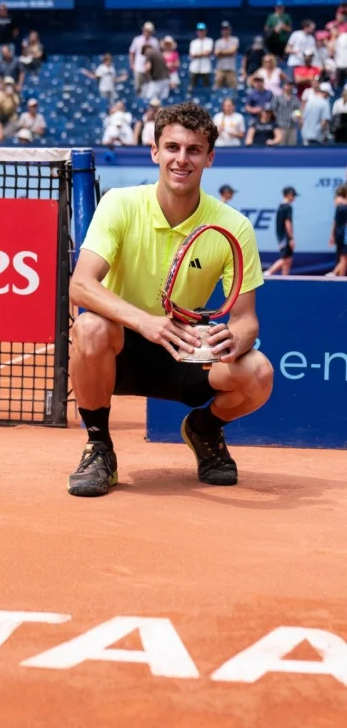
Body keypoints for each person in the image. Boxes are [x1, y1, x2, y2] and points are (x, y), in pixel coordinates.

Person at [67, 102, 273, 496]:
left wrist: (234, 339)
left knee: (258, 373)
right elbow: (81, 285)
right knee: (89, 326)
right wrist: (144, 322)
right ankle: (99, 447)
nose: (182, 159)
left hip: (187, 352)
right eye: (172, 147)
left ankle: (204, 428)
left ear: (209, 157)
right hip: (121, 349)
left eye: (194, 150)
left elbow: (246, 318)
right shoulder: (120, 204)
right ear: (155, 152)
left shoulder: (235, 226)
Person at [264, 187, 298, 276]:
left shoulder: (280, 206)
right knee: (287, 259)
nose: (294, 198)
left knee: (288, 259)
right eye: (293, 195)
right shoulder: (288, 207)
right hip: (285, 237)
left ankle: (284, 277)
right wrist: (291, 238)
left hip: (281, 237)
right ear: (289, 195)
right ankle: (268, 272)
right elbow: (287, 222)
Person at [129, 22, 159, 95]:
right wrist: (132, 63)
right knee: (138, 87)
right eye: (146, 30)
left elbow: (157, 55)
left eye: (149, 31)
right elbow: (132, 52)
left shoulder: (154, 41)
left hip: (150, 68)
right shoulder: (137, 39)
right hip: (138, 67)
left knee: (149, 87)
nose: (147, 33)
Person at [301, 82, 331, 146]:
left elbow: (302, 120)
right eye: (328, 94)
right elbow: (324, 122)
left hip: (306, 136)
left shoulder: (309, 102)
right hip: (317, 137)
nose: (328, 96)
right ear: (325, 93)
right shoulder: (325, 103)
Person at [271, 82, 301, 146]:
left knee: (292, 146)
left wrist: (297, 116)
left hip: (292, 126)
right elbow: (273, 110)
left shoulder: (295, 98)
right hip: (281, 126)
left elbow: (297, 110)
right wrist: (276, 121)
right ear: (284, 86)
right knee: (281, 145)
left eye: (290, 85)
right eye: (287, 85)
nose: (289, 87)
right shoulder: (277, 98)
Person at [327, 184, 347, 276]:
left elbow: (335, 221)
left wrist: (332, 235)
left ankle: (336, 276)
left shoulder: (339, 203)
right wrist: (332, 235)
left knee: (341, 258)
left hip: (339, 234)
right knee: (343, 258)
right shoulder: (341, 204)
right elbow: (335, 221)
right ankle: (335, 276)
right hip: (343, 235)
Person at [214, 22, 239, 89]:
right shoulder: (218, 42)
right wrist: (228, 52)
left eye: (227, 29)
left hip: (231, 69)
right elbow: (216, 53)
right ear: (221, 31)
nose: (225, 31)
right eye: (223, 29)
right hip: (220, 69)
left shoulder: (234, 40)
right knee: (217, 88)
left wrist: (221, 52)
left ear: (230, 30)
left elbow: (233, 52)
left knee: (234, 88)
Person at [189, 23, 214, 89]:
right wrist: (203, 53)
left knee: (206, 88)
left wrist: (197, 54)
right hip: (194, 68)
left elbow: (207, 53)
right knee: (192, 87)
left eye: (202, 30)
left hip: (206, 68)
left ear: (205, 31)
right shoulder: (193, 42)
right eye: (199, 30)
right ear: (197, 31)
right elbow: (192, 55)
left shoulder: (209, 41)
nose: (201, 32)